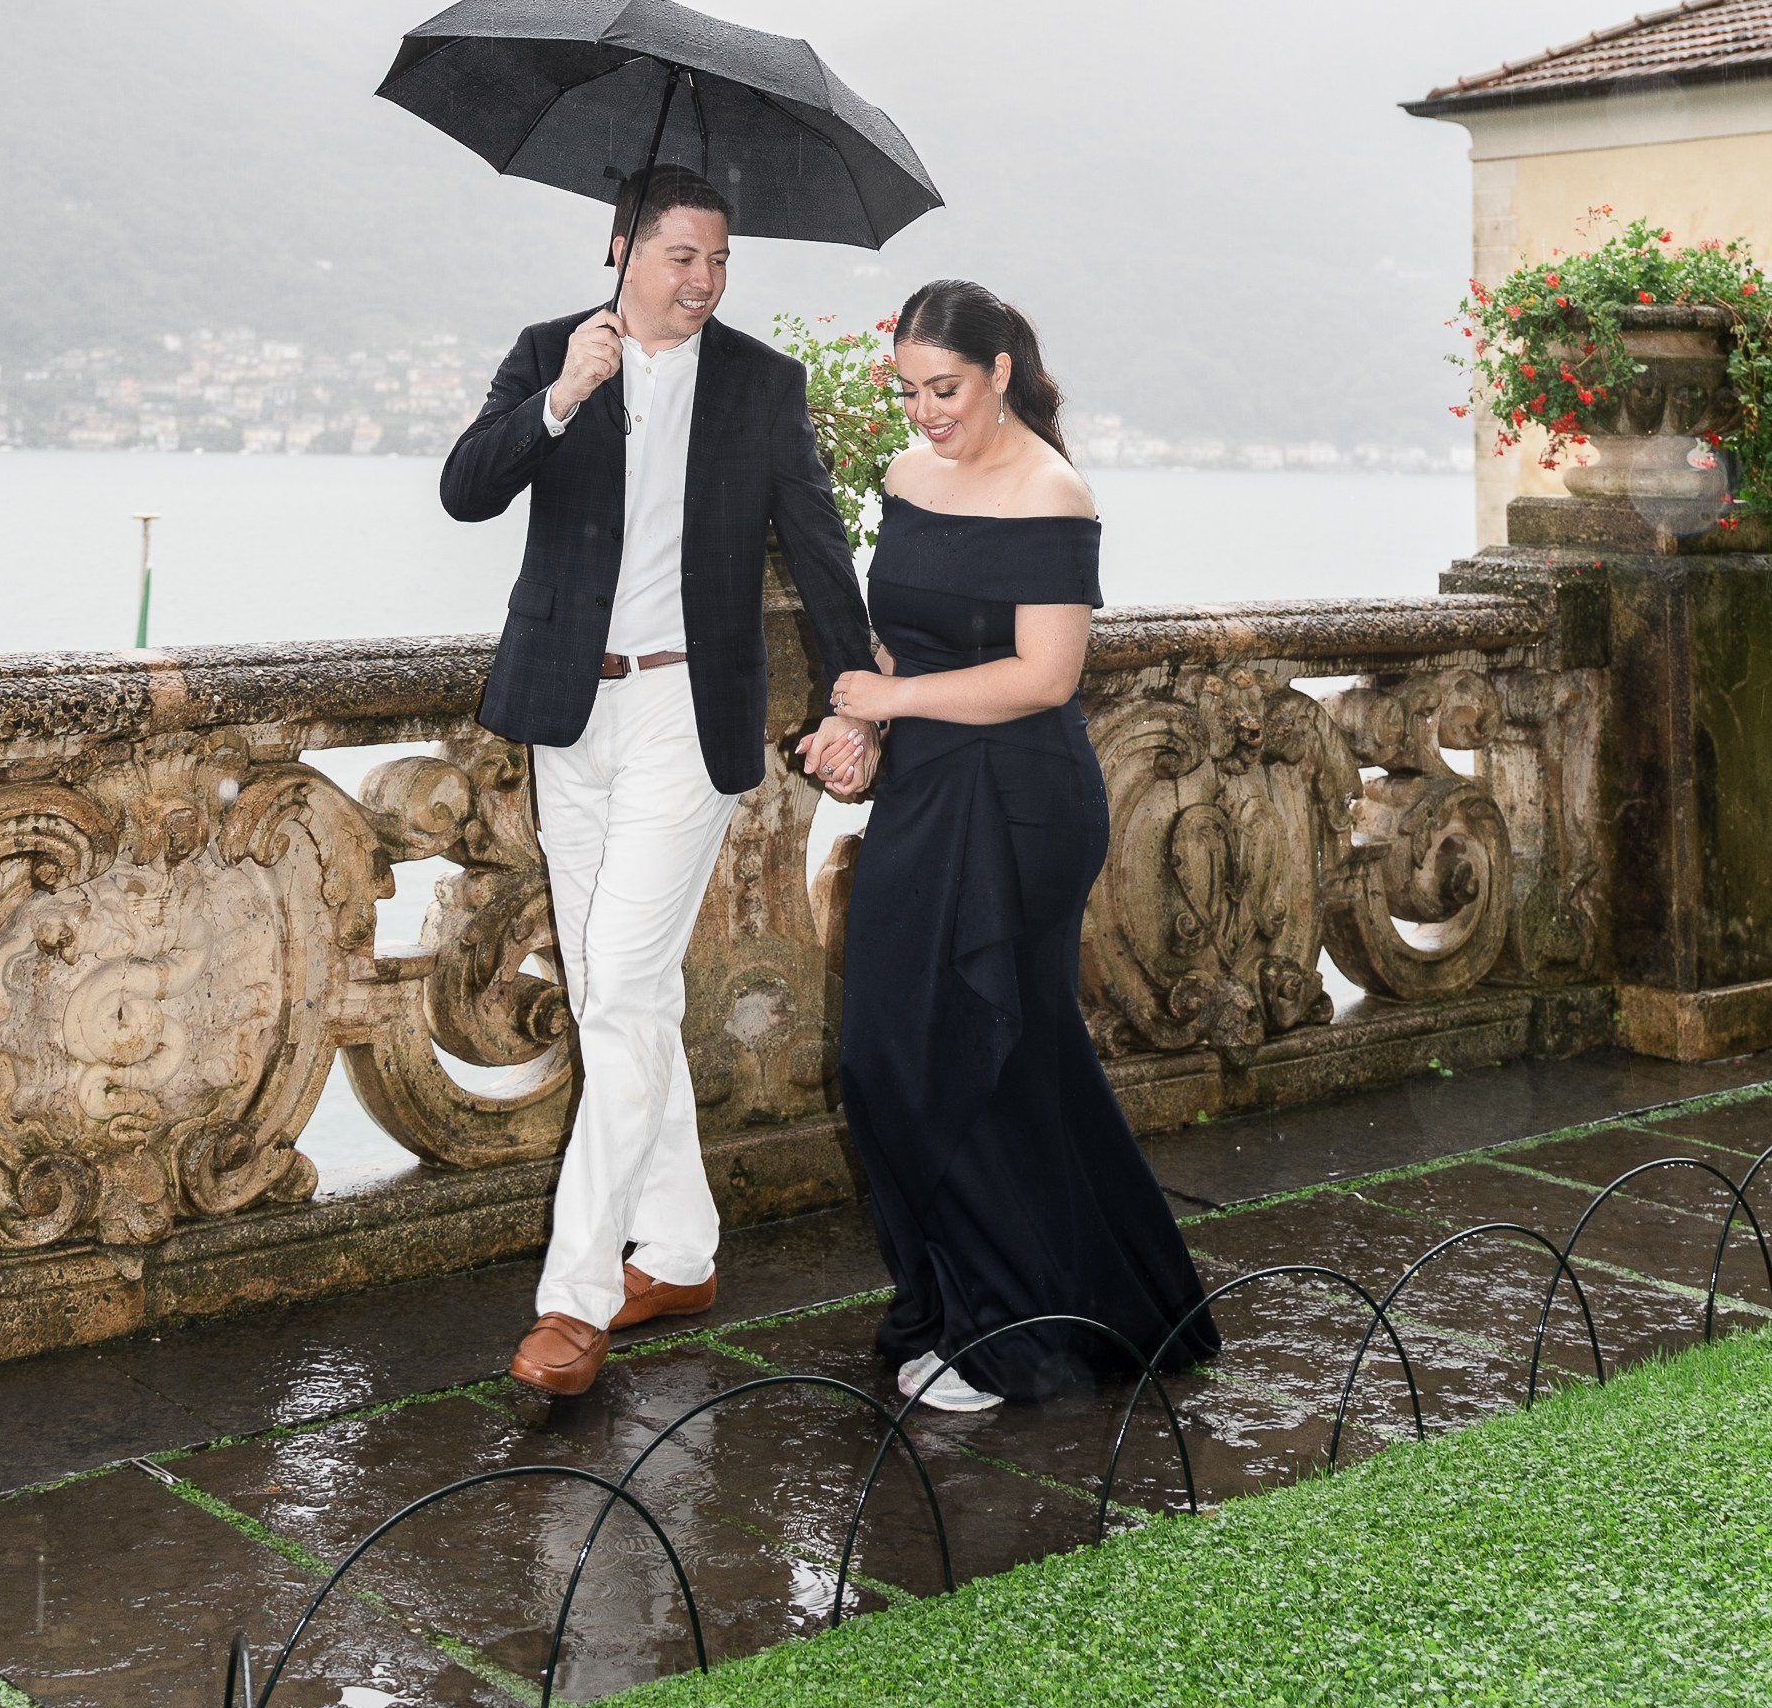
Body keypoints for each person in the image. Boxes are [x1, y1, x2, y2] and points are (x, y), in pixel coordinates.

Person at [441, 169, 876, 1404]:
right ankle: (678, 1251)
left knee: (625, 986)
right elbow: (467, 488)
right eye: (682, 255)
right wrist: (565, 399)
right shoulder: (545, 353)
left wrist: (854, 699)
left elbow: (820, 547)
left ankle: (574, 1298)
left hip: (688, 714)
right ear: (621, 249)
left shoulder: (760, 385)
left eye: (719, 261)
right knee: (610, 996)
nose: (703, 280)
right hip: (566, 712)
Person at [826, 277, 1219, 1413]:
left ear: (999, 371)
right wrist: (858, 721)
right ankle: (997, 1298)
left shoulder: (1054, 493)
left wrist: (891, 708)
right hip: (927, 787)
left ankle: (1004, 1333)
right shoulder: (905, 476)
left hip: (1020, 798)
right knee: (886, 1053)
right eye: (906, 392)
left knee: (985, 1051)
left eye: (942, 388)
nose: (923, 413)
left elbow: (1045, 676)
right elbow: (897, 645)